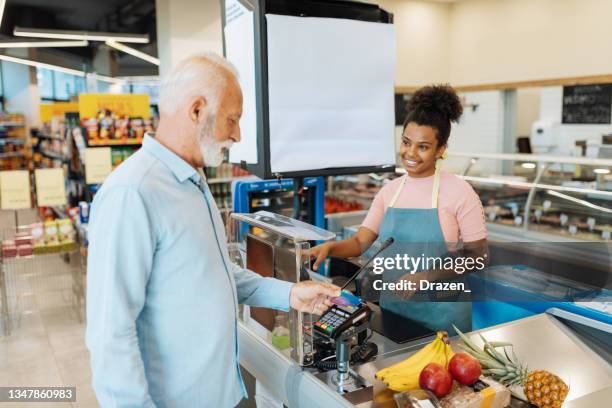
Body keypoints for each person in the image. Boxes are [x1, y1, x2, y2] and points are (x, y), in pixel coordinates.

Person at [85, 54, 340, 407]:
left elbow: (218, 275)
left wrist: (290, 294)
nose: (236, 134)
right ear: (196, 110)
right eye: (232, 119)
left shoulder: (193, 183)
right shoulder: (133, 193)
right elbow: (110, 334)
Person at [310, 84, 488, 333]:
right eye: (406, 142)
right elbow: (361, 242)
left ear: (441, 150)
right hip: (394, 313)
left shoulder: (460, 192)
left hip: (443, 320)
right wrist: (331, 248)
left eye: (423, 146)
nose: (410, 153)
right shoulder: (390, 191)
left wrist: (425, 276)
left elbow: (477, 258)